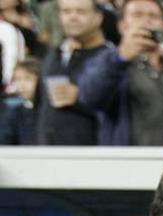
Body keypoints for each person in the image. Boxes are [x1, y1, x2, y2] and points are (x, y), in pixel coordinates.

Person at [78, 0, 163, 144]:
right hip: (130, 163)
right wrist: (121, 57)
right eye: (137, 15)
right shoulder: (107, 63)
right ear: (122, 25)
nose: (146, 20)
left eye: (154, 16)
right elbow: (90, 96)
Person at [36, 0, 113, 145]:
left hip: (94, 156)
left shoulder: (111, 59)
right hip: (47, 154)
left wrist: (81, 98)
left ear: (98, 17)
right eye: (66, 11)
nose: (73, 17)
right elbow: (39, 106)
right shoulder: (52, 55)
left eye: (81, 11)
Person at [0, 55, 39, 142]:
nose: (21, 85)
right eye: (17, 79)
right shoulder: (14, 114)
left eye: (28, 79)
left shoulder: (48, 113)